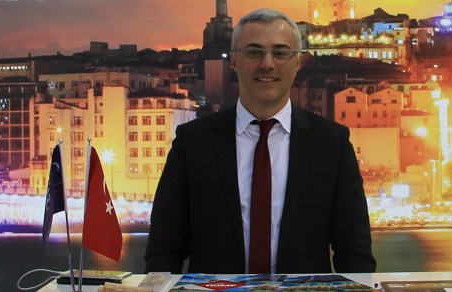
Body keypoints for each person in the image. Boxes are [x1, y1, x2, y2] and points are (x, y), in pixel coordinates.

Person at [145, 8, 376, 274]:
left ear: (298, 62)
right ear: (234, 60)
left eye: (280, 53)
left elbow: (355, 255)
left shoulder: (332, 144)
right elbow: (163, 252)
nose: (267, 64)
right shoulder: (192, 143)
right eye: (254, 52)